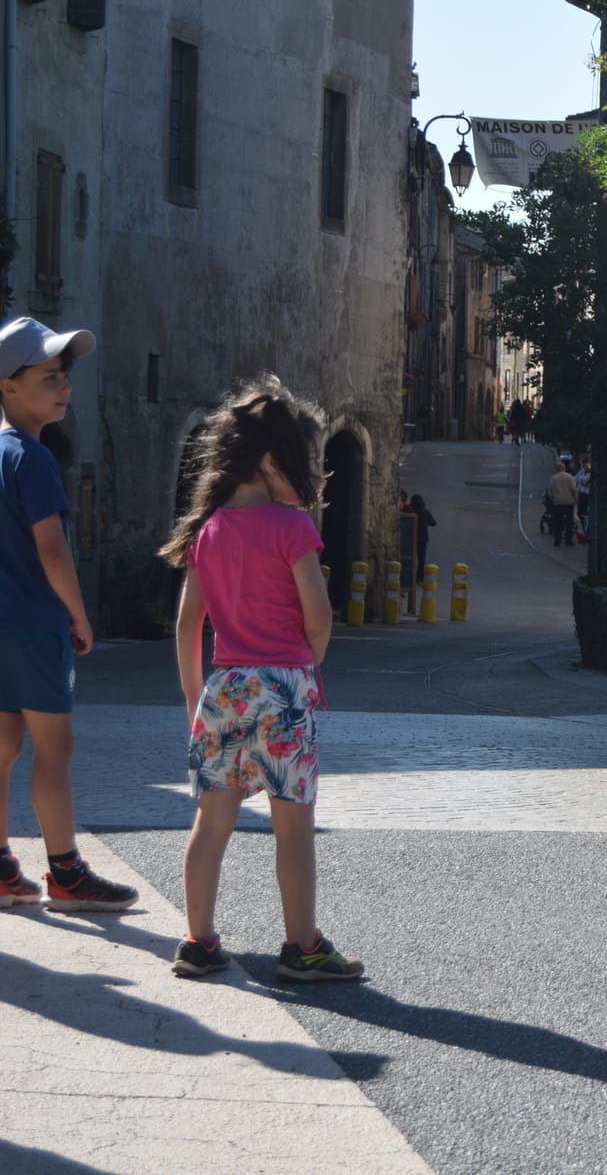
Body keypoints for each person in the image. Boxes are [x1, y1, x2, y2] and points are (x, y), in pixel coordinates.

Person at [158, 375, 361, 981]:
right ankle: (303, 948)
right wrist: (307, 663)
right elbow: (319, 618)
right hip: (283, 687)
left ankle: (197, 941)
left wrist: (197, 697)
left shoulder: (207, 530)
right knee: (292, 825)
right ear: (275, 460)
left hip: (224, 687)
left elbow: (187, 623)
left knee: (211, 820)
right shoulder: (292, 528)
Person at [0, 318, 137, 912]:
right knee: (55, 752)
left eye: (65, 377)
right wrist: (78, 617)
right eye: (50, 377)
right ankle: (66, 873)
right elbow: (52, 549)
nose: (64, 387)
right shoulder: (32, 459)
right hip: (34, 625)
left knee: (1, 748)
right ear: (7, 385)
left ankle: (3, 867)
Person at [546, 455, 578, 547]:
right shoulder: (570, 477)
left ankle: (557, 541)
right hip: (569, 502)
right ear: (564, 468)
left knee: (558, 522)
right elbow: (574, 489)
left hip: (558, 503)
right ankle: (568, 540)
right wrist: (576, 499)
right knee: (569, 522)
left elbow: (549, 492)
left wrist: (553, 499)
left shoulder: (553, 478)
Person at [574, 455, 594, 534]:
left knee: (586, 512)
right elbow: (575, 479)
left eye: (585, 465)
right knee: (580, 512)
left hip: (587, 494)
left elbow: (585, 481)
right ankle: (581, 528)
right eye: (583, 465)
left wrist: (580, 481)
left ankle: (587, 529)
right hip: (580, 494)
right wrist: (580, 481)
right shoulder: (581, 471)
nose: (584, 466)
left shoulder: (591, 472)